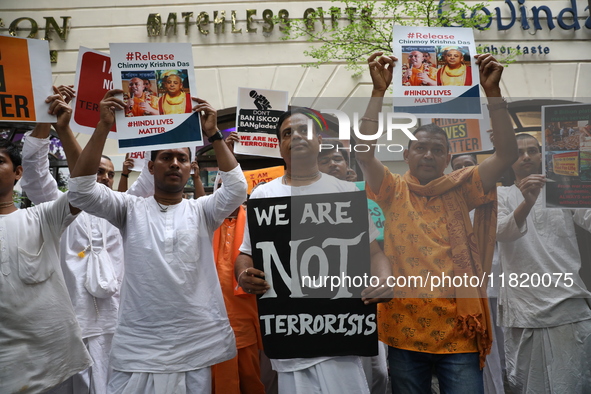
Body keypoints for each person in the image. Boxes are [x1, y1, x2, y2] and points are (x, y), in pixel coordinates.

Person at [356, 51, 517, 393]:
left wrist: (494, 95)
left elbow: (506, 155)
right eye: (420, 148)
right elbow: (363, 152)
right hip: (404, 326)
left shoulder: (463, 186)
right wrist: (377, 93)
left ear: (447, 157)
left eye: (436, 150)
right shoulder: (391, 188)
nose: (428, 154)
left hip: (459, 328)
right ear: (406, 155)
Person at [68, 89, 247, 393]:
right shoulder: (129, 208)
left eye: (182, 159)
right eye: (166, 157)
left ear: (191, 169)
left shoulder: (202, 211)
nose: (175, 163)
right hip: (139, 344)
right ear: (151, 168)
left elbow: (237, 189)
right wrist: (102, 126)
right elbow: (81, 191)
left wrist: (214, 133)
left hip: (194, 342)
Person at [234, 107, 393, 394]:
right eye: (286, 133)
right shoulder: (262, 196)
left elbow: (375, 253)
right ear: (279, 145)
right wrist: (244, 273)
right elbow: (246, 253)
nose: (295, 136)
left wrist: (384, 280)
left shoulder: (346, 192)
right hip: (289, 342)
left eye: (303, 131)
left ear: (319, 140)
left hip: (341, 338)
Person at [21, 86, 154, 394]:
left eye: (108, 174)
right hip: (71, 327)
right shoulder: (57, 207)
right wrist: (47, 121)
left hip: (120, 325)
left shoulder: (124, 209)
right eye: (97, 171)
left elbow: (148, 177)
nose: (103, 177)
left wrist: (152, 119)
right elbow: (34, 173)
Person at [0, 91, 92, 394]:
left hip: (53, 366)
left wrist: (61, 128)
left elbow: (83, 189)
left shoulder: (41, 218)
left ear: (17, 173)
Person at [496, 133, 591, 393]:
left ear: (542, 155)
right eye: (518, 152)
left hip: (567, 303)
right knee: (528, 387)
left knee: (573, 383)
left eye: (532, 150)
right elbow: (501, 231)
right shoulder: (500, 195)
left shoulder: (562, 187)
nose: (526, 156)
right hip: (524, 307)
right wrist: (527, 202)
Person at [210, 203, 266, 394]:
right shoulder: (206, 220)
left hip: (244, 315)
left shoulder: (256, 220)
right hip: (210, 317)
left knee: (249, 377)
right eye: (221, 187)